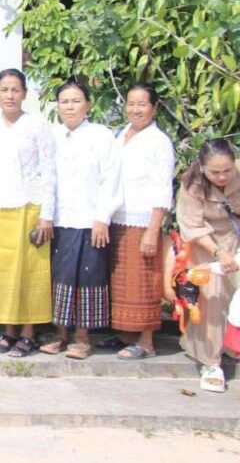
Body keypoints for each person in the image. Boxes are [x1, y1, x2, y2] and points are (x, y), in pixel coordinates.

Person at [40, 80, 121, 360]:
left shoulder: (101, 136)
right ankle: (60, 334)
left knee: (88, 276)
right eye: (64, 102)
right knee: (61, 276)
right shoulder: (52, 135)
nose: (70, 107)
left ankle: (83, 338)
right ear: (57, 106)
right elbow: (47, 177)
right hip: (60, 219)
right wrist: (46, 215)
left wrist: (102, 217)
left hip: (91, 221)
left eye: (76, 101)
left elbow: (111, 178)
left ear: (87, 104)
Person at [0, 69, 56, 358]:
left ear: (24, 93)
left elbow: (49, 170)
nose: (10, 95)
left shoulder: (37, 124)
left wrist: (47, 214)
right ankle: (8, 331)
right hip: (0, 207)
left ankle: (28, 333)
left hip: (31, 207)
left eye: (15, 90)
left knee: (30, 273)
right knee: (3, 273)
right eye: (4, 90)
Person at [102, 83, 175, 360]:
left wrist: (153, 229)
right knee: (121, 281)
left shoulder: (159, 141)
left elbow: (163, 189)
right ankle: (125, 335)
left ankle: (146, 342)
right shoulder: (120, 135)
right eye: (131, 103)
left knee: (143, 282)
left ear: (154, 108)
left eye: (142, 104)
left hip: (142, 222)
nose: (136, 109)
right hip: (117, 219)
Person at [175, 139, 240, 393]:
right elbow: (191, 226)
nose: (222, 176)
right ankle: (211, 362)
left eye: (227, 171)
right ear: (203, 167)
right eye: (215, 172)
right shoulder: (191, 184)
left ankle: (232, 345)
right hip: (208, 243)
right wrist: (219, 252)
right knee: (212, 299)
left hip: (237, 238)